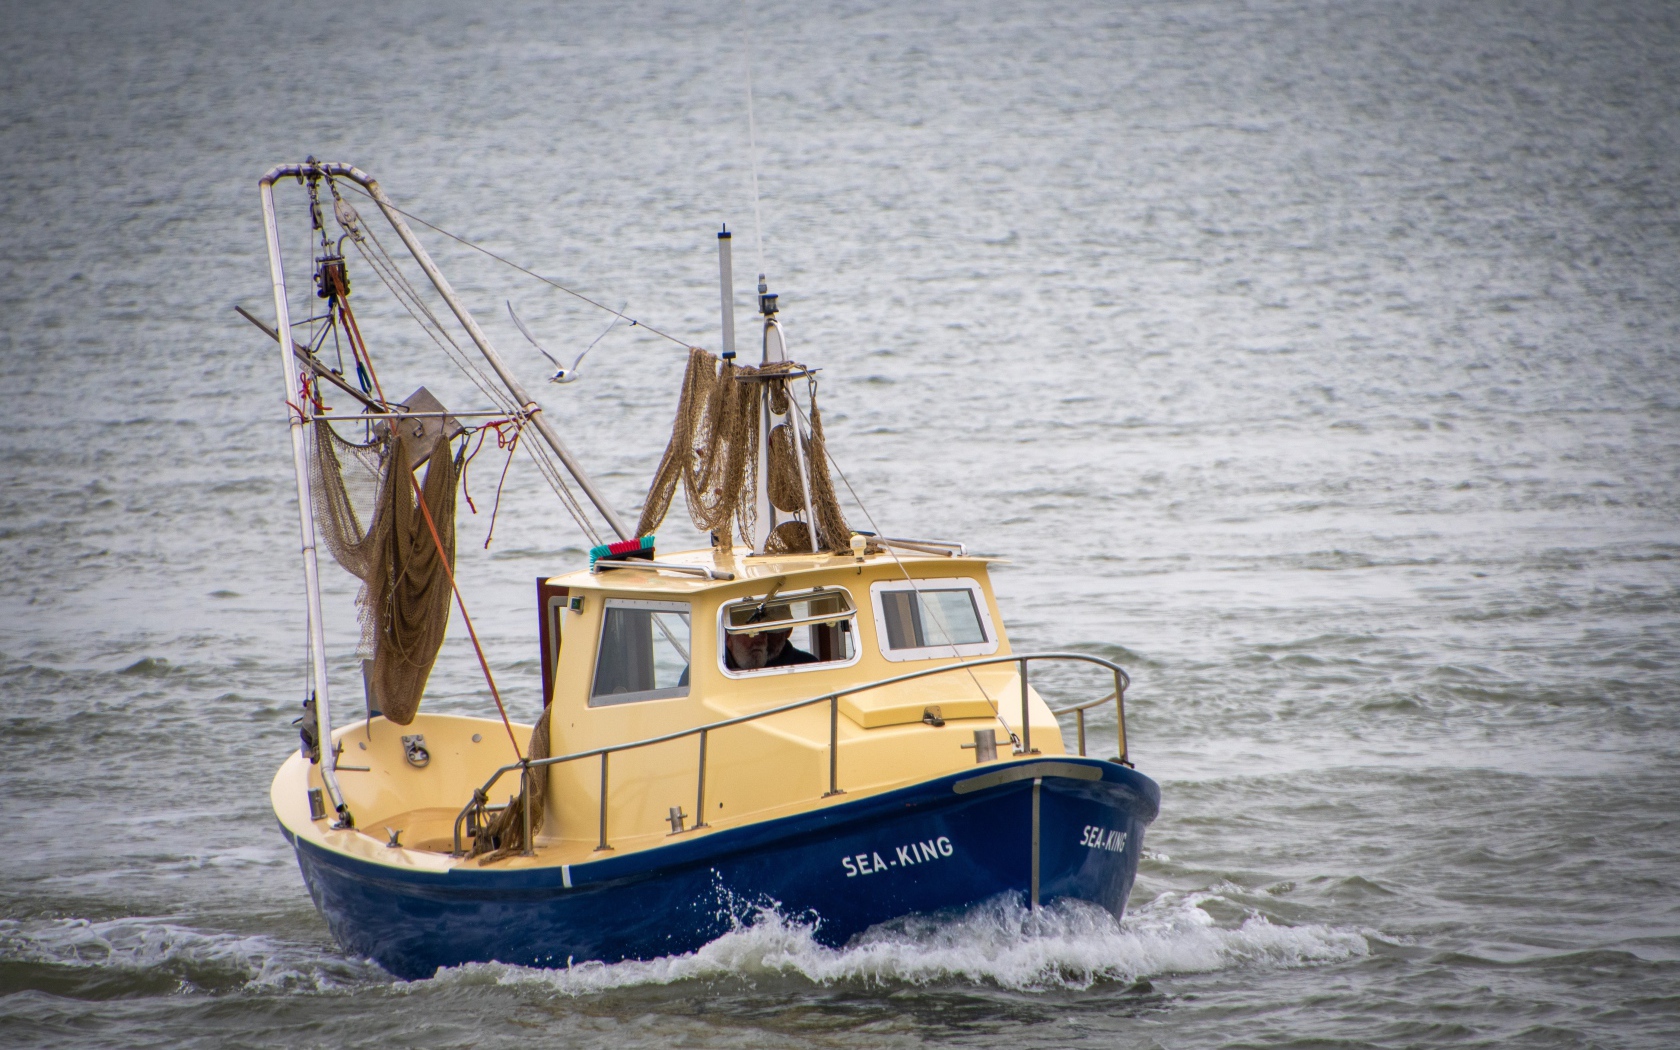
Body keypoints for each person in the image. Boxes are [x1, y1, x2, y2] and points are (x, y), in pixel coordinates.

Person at [725, 628, 819, 671]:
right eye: (751, 633)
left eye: (771, 630)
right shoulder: (717, 667)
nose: (764, 638)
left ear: (788, 631)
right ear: (728, 637)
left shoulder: (808, 664)